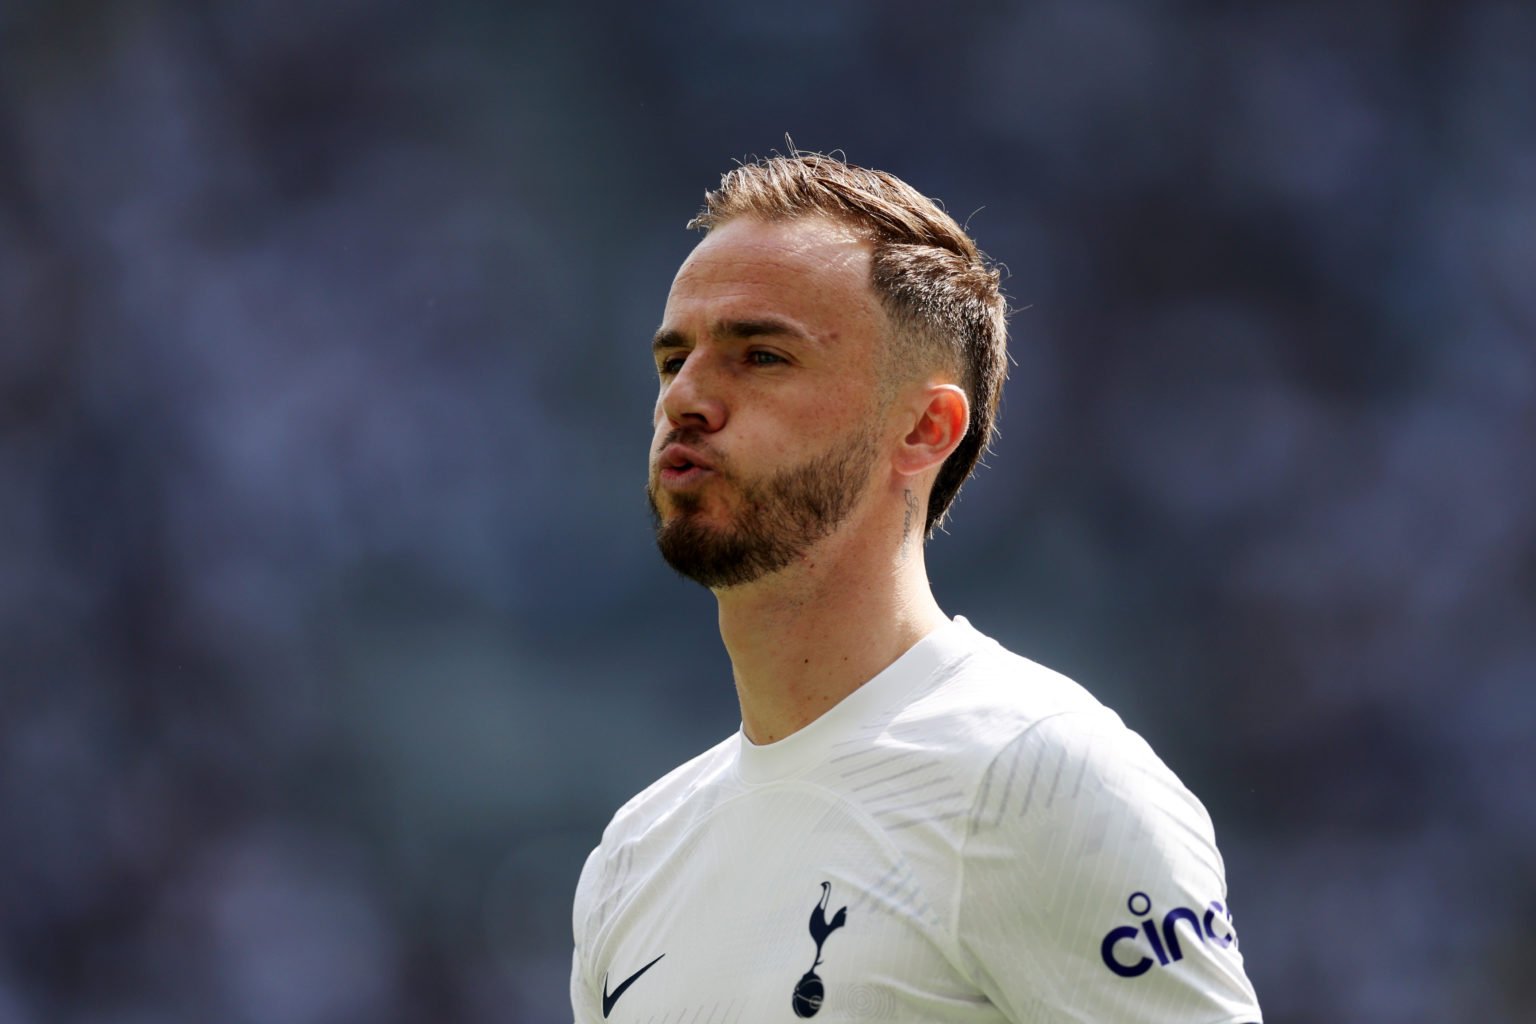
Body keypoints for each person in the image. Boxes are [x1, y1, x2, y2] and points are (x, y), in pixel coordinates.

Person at [570, 151, 1262, 1024]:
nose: (689, 399)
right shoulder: (633, 856)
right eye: (674, 360)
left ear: (926, 427)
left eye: (761, 355)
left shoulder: (1041, 778)